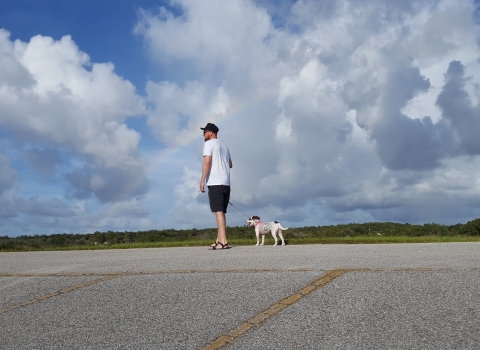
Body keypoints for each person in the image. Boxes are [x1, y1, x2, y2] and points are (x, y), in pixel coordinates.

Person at [199, 123, 232, 250]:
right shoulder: (224, 146)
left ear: (211, 132)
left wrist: (202, 181)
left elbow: (207, 162)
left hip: (215, 182)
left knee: (218, 212)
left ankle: (223, 242)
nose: (203, 134)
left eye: (205, 132)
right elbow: (230, 164)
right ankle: (218, 240)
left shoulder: (209, 144)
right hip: (226, 182)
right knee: (221, 212)